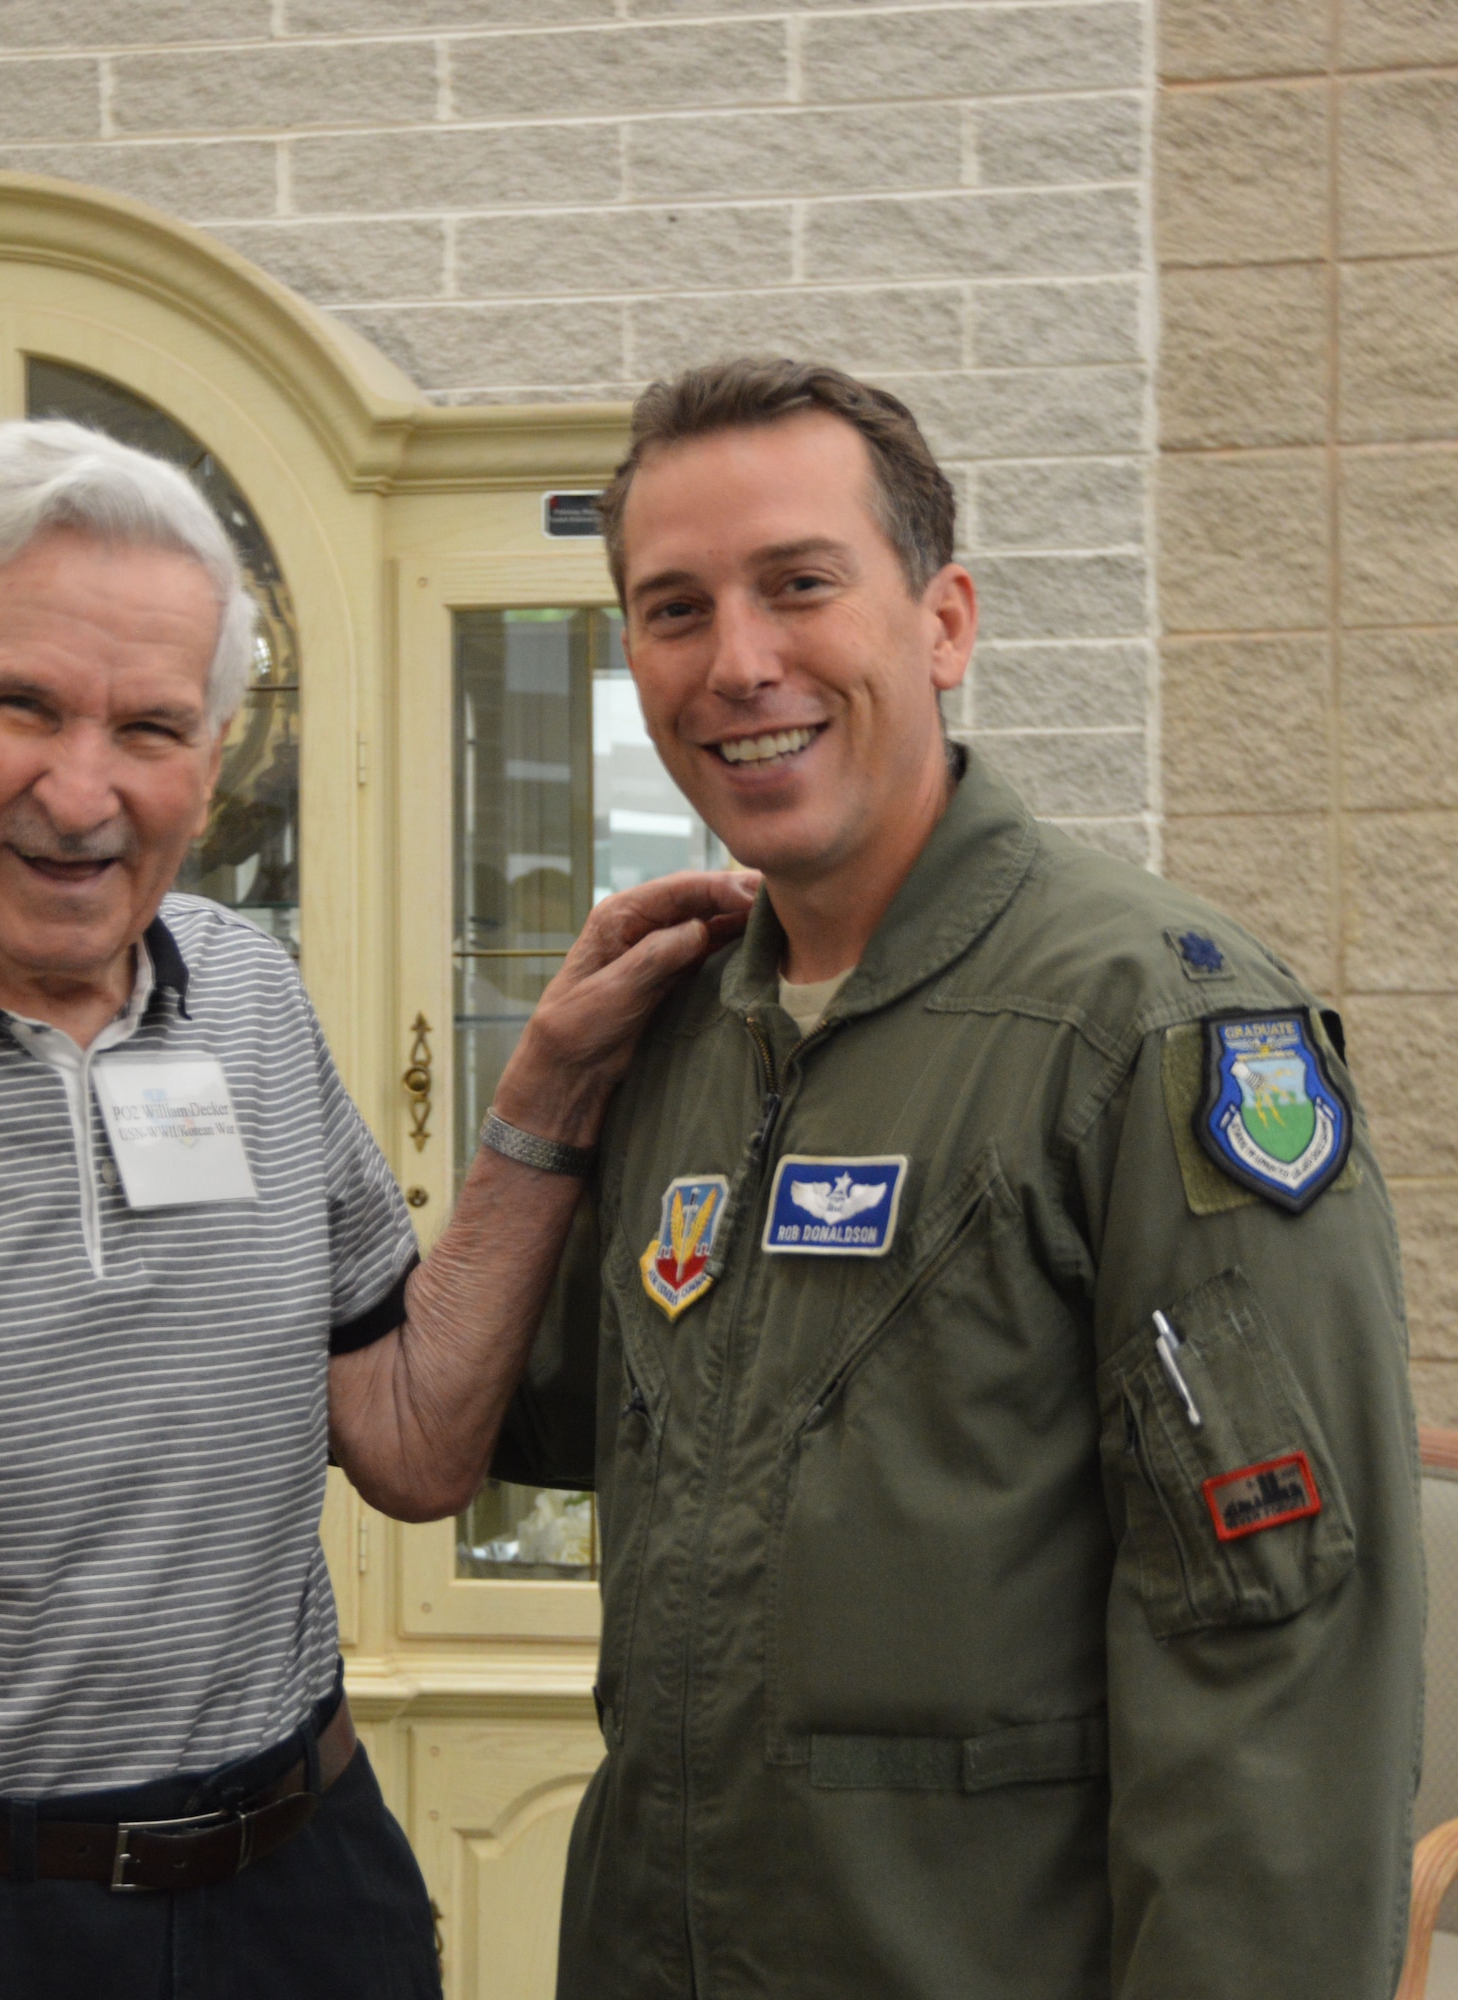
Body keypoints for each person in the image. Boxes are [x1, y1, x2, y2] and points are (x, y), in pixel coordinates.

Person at [0, 419, 754, 2000]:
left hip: (302, 1899)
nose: (83, 789)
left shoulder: (243, 989)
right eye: (21, 703)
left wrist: (548, 1098)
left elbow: (410, 1441)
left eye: (153, 727)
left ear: (214, 761)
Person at [490, 359, 1423, 1999]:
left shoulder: (1156, 1029)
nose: (737, 663)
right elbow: (516, 1423)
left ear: (942, 623)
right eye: (672, 608)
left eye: (797, 585)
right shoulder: (675, 1033)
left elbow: (1274, 1671)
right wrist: (535, 1112)